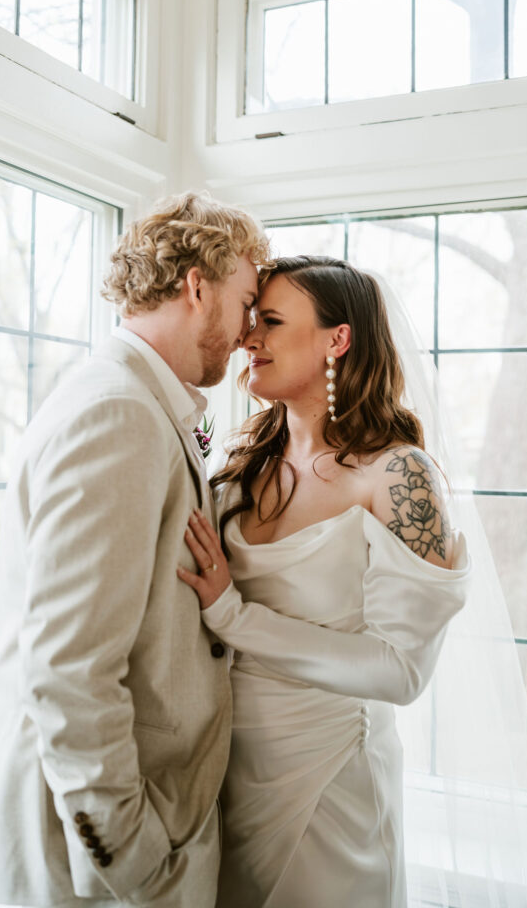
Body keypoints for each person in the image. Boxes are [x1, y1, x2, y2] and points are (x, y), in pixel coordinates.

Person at [0, 192, 270, 908]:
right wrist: (132, 856)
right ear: (198, 287)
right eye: (246, 301)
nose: (248, 330)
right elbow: (69, 666)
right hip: (104, 861)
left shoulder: (133, 398)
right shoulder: (118, 412)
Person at [177, 255, 473, 908]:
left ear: (337, 339)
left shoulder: (397, 477)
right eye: (251, 320)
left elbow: (401, 673)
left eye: (273, 322)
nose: (249, 338)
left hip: (327, 781)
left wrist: (233, 615)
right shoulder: (236, 461)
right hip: (219, 771)